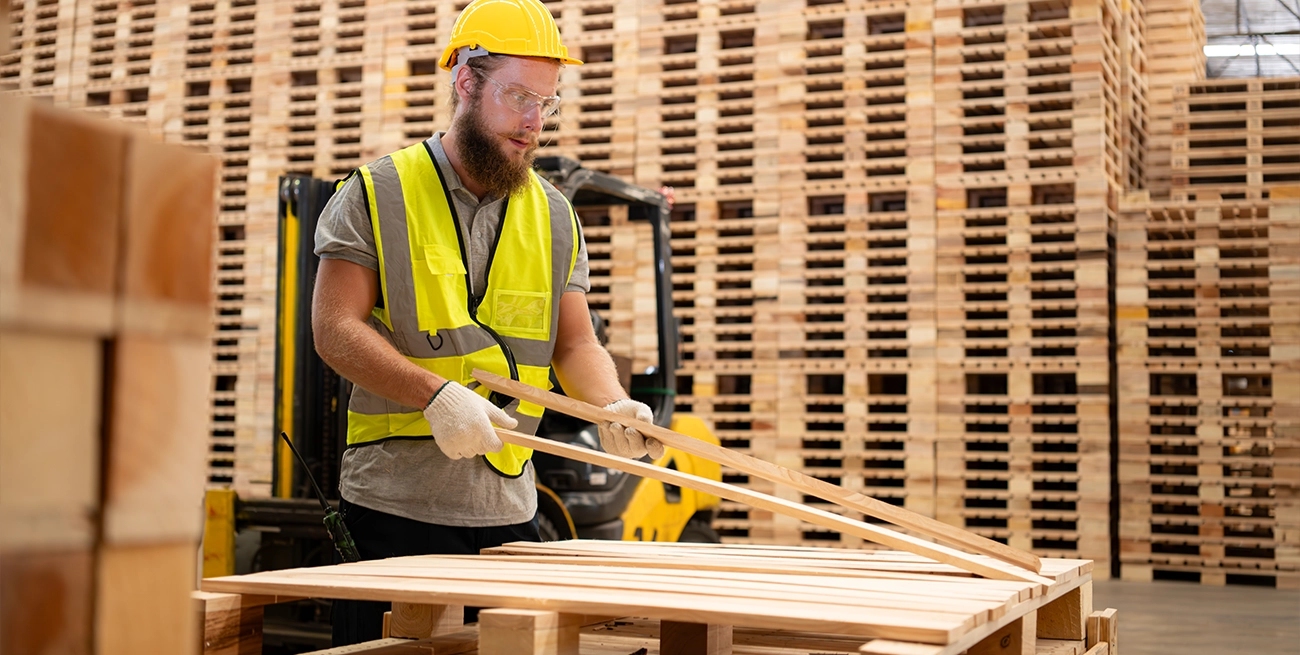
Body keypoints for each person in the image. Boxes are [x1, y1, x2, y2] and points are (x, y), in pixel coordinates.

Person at [310, 0, 663, 644]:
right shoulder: (374, 193)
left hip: (509, 512)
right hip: (393, 510)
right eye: (520, 97)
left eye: (548, 103)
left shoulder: (555, 215)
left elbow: (575, 341)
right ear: (465, 82)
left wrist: (613, 405)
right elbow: (335, 329)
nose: (535, 123)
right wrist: (434, 396)